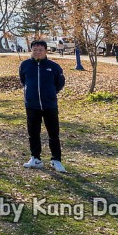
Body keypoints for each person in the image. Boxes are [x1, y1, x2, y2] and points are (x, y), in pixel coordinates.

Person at [20, 40, 67, 173]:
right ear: (31, 51)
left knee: (53, 133)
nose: (37, 52)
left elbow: (60, 83)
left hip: (49, 105)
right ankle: (35, 158)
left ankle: (56, 160)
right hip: (32, 105)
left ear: (46, 51)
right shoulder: (25, 65)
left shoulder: (54, 66)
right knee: (33, 133)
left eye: (40, 49)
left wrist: (51, 94)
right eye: (35, 49)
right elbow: (23, 80)